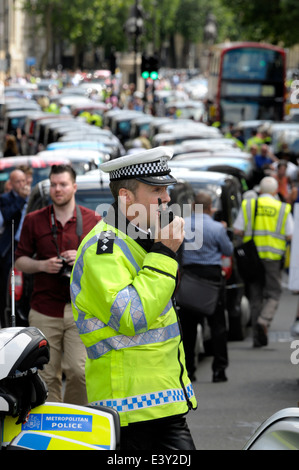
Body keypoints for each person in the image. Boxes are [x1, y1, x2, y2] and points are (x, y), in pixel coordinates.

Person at [70, 147, 197, 450]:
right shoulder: (104, 248)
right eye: (156, 189)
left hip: (161, 402)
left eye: (166, 188)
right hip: (130, 408)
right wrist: (165, 253)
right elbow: (131, 316)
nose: (167, 198)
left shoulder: (141, 236)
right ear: (126, 197)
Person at [15, 164, 101, 405]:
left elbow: (108, 263)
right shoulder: (34, 220)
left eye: (62, 184)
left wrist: (82, 258)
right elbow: (20, 261)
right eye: (53, 184)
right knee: (46, 375)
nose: (57, 189)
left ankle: (75, 421)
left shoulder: (93, 220)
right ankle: (52, 427)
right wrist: (43, 265)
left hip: (81, 308)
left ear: (74, 187)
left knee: (79, 371)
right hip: (44, 308)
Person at [178, 191, 233, 383]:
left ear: (193, 206)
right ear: (211, 207)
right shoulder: (217, 228)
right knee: (218, 325)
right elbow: (228, 250)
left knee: (188, 328)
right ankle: (219, 370)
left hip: (190, 278)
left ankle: (189, 371)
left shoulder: (182, 224)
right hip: (212, 279)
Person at [233, 176, 293, 348]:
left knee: (256, 294)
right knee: (274, 293)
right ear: (275, 192)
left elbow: (238, 230)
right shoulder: (282, 208)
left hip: (253, 258)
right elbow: (290, 234)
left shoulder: (249, 205)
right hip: (273, 258)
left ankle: (257, 338)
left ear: (260, 191)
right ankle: (263, 321)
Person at [0, 169, 30, 325]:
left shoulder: (32, 199)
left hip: (29, 244)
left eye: (23, 181)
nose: (22, 184)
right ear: (11, 184)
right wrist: (21, 200)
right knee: (7, 280)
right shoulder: (6, 198)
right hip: (12, 245)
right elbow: (8, 215)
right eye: (18, 181)